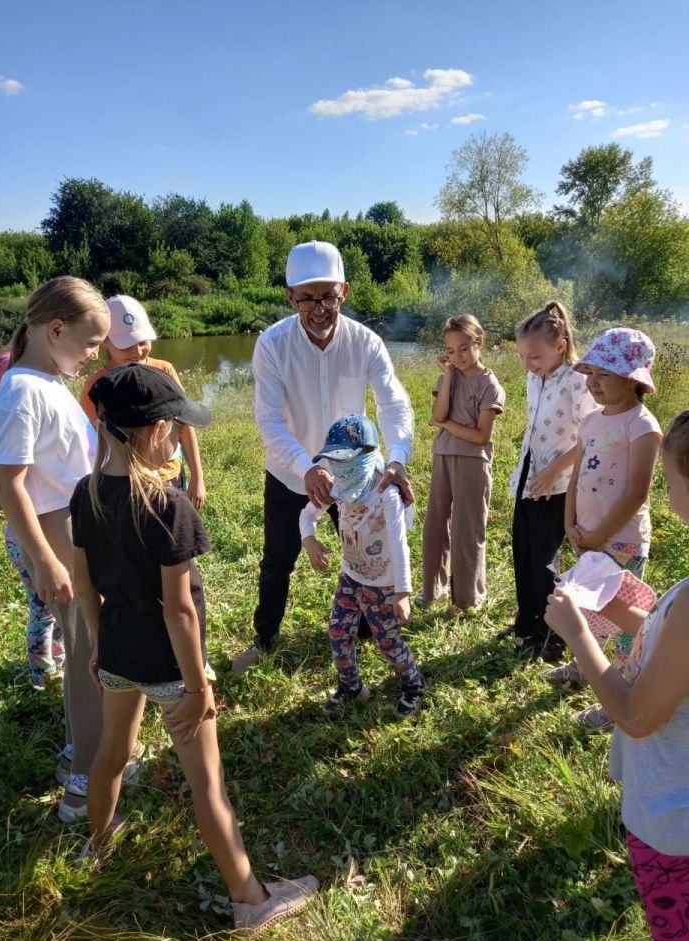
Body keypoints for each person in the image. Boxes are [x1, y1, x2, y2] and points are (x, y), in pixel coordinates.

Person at [70, 363, 318, 929]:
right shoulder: (167, 505)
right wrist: (197, 682)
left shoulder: (86, 495)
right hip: (169, 666)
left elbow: (84, 586)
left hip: (117, 655)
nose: (181, 438)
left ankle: (98, 845)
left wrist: (98, 644)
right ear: (153, 431)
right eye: (176, 428)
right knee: (208, 787)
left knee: (112, 754)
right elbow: (180, 611)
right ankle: (251, 900)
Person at [544, 409, 689, 941]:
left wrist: (581, 637)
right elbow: (676, 655)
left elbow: (635, 715)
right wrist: (629, 615)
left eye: (670, 480)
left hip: (674, 829)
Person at [232, 241, 413, 676]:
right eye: (307, 297)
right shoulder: (272, 345)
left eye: (327, 296)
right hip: (291, 473)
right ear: (290, 296)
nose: (318, 308)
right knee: (277, 559)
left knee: (370, 551)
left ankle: (372, 628)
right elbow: (270, 420)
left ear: (344, 292)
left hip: (354, 474)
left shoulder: (365, 342)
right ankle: (265, 638)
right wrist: (306, 467)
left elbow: (393, 404)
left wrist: (397, 457)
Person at [0, 276, 112, 822]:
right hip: (59, 536)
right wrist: (44, 559)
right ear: (56, 328)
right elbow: (8, 485)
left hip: (74, 530)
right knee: (91, 658)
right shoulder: (22, 390)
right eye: (89, 343)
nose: (93, 355)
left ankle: (79, 755)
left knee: (87, 653)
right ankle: (86, 787)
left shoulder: (43, 382)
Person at [546, 327, 661, 730]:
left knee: (627, 622)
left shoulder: (642, 426)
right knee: (583, 603)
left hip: (623, 542)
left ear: (633, 380)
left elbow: (635, 493)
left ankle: (622, 695)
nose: (592, 382)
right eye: (590, 373)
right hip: (586, 536)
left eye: (604, 374)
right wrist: (570, 524)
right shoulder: (592, 421)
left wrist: (598, 536)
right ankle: (585, 665)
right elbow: (576, 479)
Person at [299, 415, 424, 716]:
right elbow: (307, 515)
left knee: (387, 640)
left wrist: (403, 593)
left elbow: (399, 545)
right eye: (336, 464)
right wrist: (309, 540)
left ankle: (413, 684)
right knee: (338, 632)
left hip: (383, 584)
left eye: (349, 463)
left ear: (369, 455)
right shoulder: (337, 486)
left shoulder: (387, 495)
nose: (342, 473)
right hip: (350, 578)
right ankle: (351, 687)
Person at [505, 301, 597, 659]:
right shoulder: (534, 378)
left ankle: (552, 635)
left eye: (536, 356)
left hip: (557, 485)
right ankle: (527, 623)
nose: (529, 364)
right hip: (528, 478)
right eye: (524, 357)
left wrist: (554, 470)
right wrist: (531, 473)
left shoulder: (578, 381)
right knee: (523, 555)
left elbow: (588, 437)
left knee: (544, 561)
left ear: (560, 345)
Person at [0, 348, 64, 690]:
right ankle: (43, 675)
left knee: (55, 606)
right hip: (28, 539)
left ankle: (57, 661)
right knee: (43, 609)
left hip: (42, 535)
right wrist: (25, 489)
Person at [80, 295, 206, 509]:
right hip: (126, 484)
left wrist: (198, 476)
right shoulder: (96, 386)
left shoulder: (164, 370)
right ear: (106, 342)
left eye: (142, 342)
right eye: (126, 345)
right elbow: (94, 443)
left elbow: (184, 424)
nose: (137, 352)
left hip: (170, 475)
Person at [417, 314, 505, 611]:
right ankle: (432, 590)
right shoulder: (447, 378)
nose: (458, 356)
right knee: (435, 525)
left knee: (467, 529)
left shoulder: (489, 384)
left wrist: (449, 427)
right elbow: (439, 415)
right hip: (443, 455)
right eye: (451, 351)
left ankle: (468, 598)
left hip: (473, 461)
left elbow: (481, 436)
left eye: (464, 348)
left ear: (479, 343)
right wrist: (449, 377)